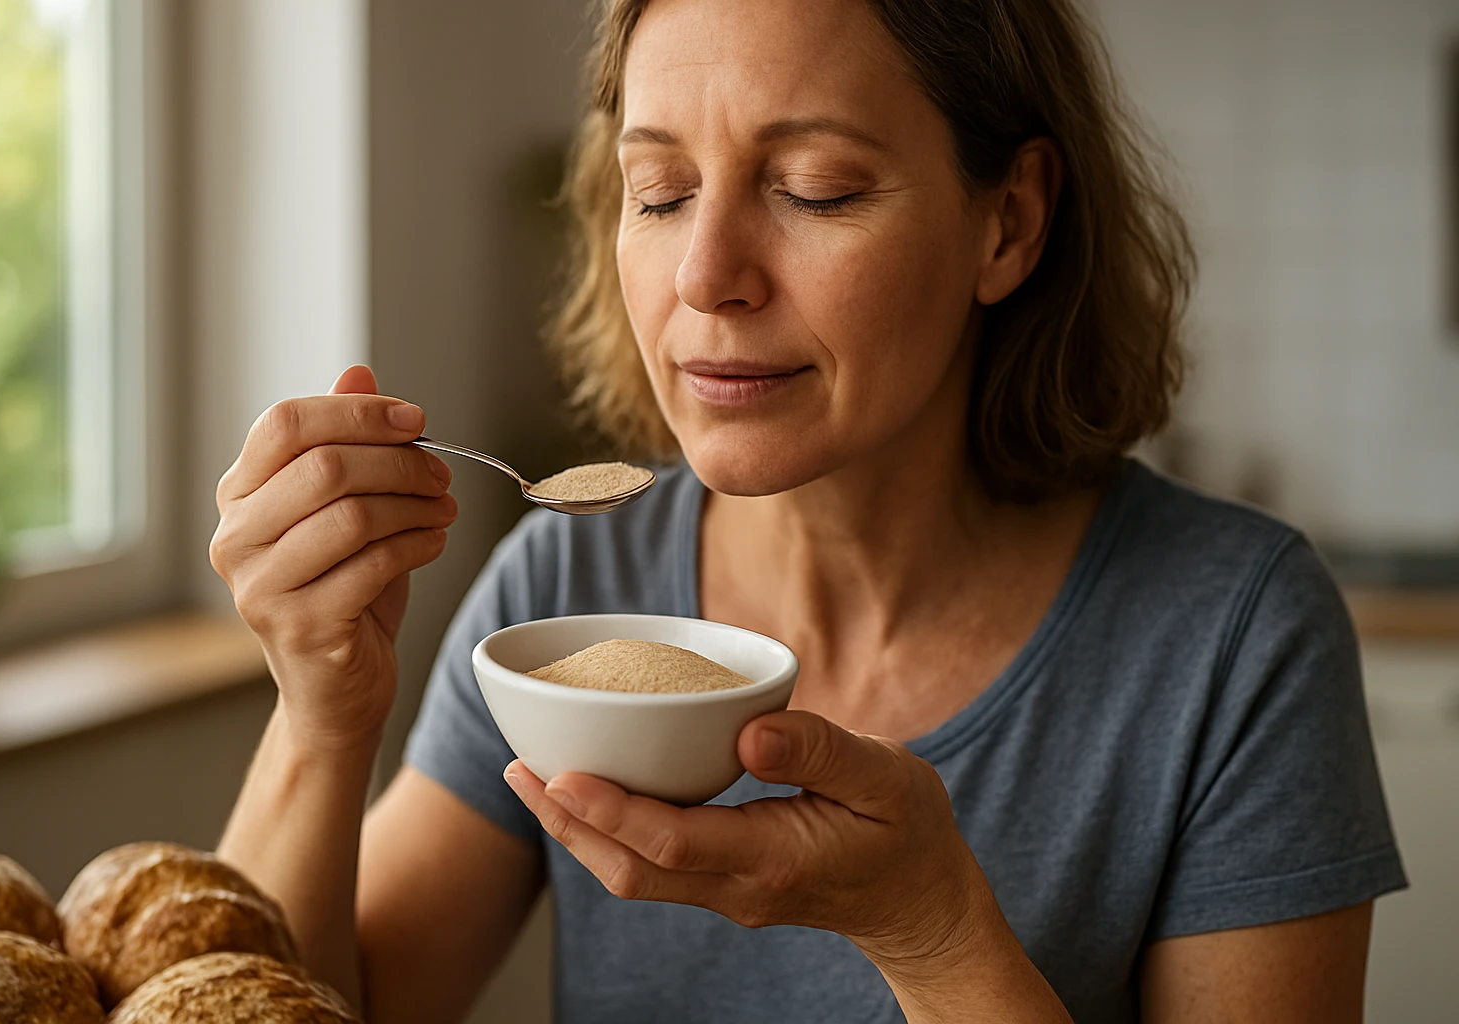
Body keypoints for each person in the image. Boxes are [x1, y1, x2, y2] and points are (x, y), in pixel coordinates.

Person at [207, 0, 1407, 1020]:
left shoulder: (1236, 637)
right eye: (661, 190)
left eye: (814, 189)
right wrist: (322, 714)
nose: (705, 276)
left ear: (1010, 222)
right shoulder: (567, 600)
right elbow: (310, 998)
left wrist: (935, 933)